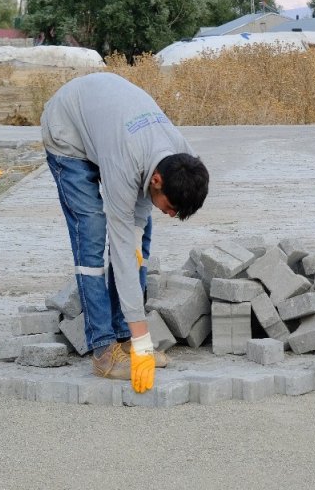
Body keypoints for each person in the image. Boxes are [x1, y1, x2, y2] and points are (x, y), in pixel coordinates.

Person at [41, 72, 209, 393]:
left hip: (109, 128)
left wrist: (137, 339)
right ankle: (104, 351)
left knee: (139, 243)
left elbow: (139, 218)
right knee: (92, 235)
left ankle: (125, 337)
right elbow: (119, 245)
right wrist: (146, 341)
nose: (170, 214)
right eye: (170, 208)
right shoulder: (126, 161)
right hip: (67, 130)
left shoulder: (180, 154)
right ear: (157, 181)